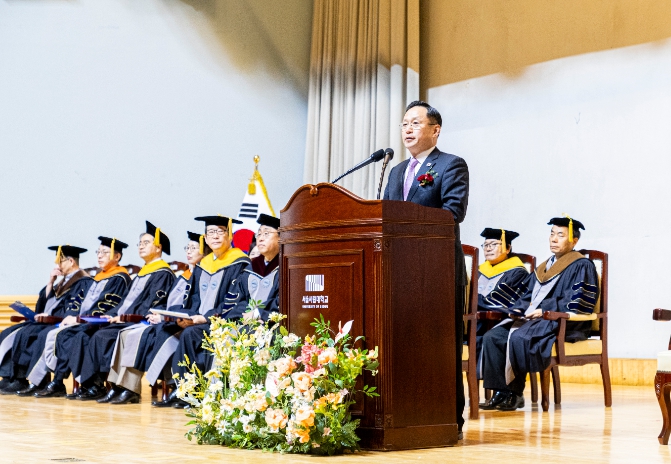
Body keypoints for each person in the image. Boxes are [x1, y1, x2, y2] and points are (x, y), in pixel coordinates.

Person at [383, 100, 469, 436]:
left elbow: (452, 213)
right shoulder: (396, 171)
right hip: (399, 273)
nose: (408, 129)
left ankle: (449, 419)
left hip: (437, 273)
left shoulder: (451, 165)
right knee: (403, 344)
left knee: (440, 346)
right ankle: (408, 415)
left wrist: (409, 222)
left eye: (415, 123)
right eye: (405, 123)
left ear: (435, 130)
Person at [480, 216, 599, 411]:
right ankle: (501, 392)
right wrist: (518, 309)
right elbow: (527, 294)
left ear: (574, 241)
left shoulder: (582, 265)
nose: (553, 239)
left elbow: (577, 302)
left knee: (519, 337)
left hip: (564, 323)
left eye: (560, 235)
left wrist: (544, 310)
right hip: (536, 320)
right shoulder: (544, 267)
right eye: (552, 234)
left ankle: (515, 394)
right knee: (493, 336)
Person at [154, 215, 251, 408]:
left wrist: (206, 318)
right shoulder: (202, 265)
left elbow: (234, 300)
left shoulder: (240, 263)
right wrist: (187, 317)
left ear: (230, 235)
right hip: (198, 321)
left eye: (220, 231)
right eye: (210, 232)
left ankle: (192, 392)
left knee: (191, 334)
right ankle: (180, 388)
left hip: (223, 321)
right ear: (205, 238)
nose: (215, 236)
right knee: (167, 330)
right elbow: (193, 298)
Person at [103, 231, 209, 405]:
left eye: (193, 248)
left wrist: (163, 316)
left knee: (133, 334)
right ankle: (118, 385)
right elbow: (166, 302)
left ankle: (133, 387)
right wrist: (159, 313)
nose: (188, 251)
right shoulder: (183, 276)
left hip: (180, 322)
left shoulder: (192, 275)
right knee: (125, 333)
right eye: (187, 247)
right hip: (168, 319)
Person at [74, 221, 175, 402]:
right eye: (140, 243)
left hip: (140, 321)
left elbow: (153, 304)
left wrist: (123, 318)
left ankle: (118, 386)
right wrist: (113, 315)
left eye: (146, 243)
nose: (141, 246)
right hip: (127, 320)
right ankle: (103, 385)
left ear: (158, 247)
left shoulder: (163, 273)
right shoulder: (143, 272)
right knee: (94, 332)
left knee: (104, 336)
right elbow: (124, 302)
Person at [25, 237, 132, 398]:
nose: (99, 256)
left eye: (104, 252)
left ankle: (90, 385)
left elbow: (106, 305)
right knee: (65, 335)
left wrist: (79, 319)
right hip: (87, 321)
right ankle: (73, 383)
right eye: (98, 252)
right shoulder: (99, 277)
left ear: (117, 257)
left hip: (101, 323)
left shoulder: (119, 278)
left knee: (73, 336)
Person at [0, 245, 93, 394]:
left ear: (71, 261)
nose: (57, 266)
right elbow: (43, 305)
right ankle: (9, 377)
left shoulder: (83, 282)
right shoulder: (61, 282)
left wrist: (50, 317)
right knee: (10, 332)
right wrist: (50, 282)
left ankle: (26, 380)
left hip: (61, 323)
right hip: (49, 321)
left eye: (60, 261)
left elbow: (73, 309)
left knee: (27, 334)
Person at [475, 228, 529, 379]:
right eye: (485, 245)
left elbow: (502, 302)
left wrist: (475, 301)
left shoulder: (517, 272)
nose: (488, 248)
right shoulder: (479, 270)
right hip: (477, 320)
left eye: (493, 244)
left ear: (508, 248)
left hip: (499, 322)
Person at [226, 213, 280, 322]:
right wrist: (244, 317)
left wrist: (258, 314)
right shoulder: (249, 269)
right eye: (258, 234)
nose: (260, 239)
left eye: (266, 234)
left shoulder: (288, 269)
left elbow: (285, 301)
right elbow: (238, 301)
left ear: (281, 238)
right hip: (245, 323)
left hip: (273, 324)